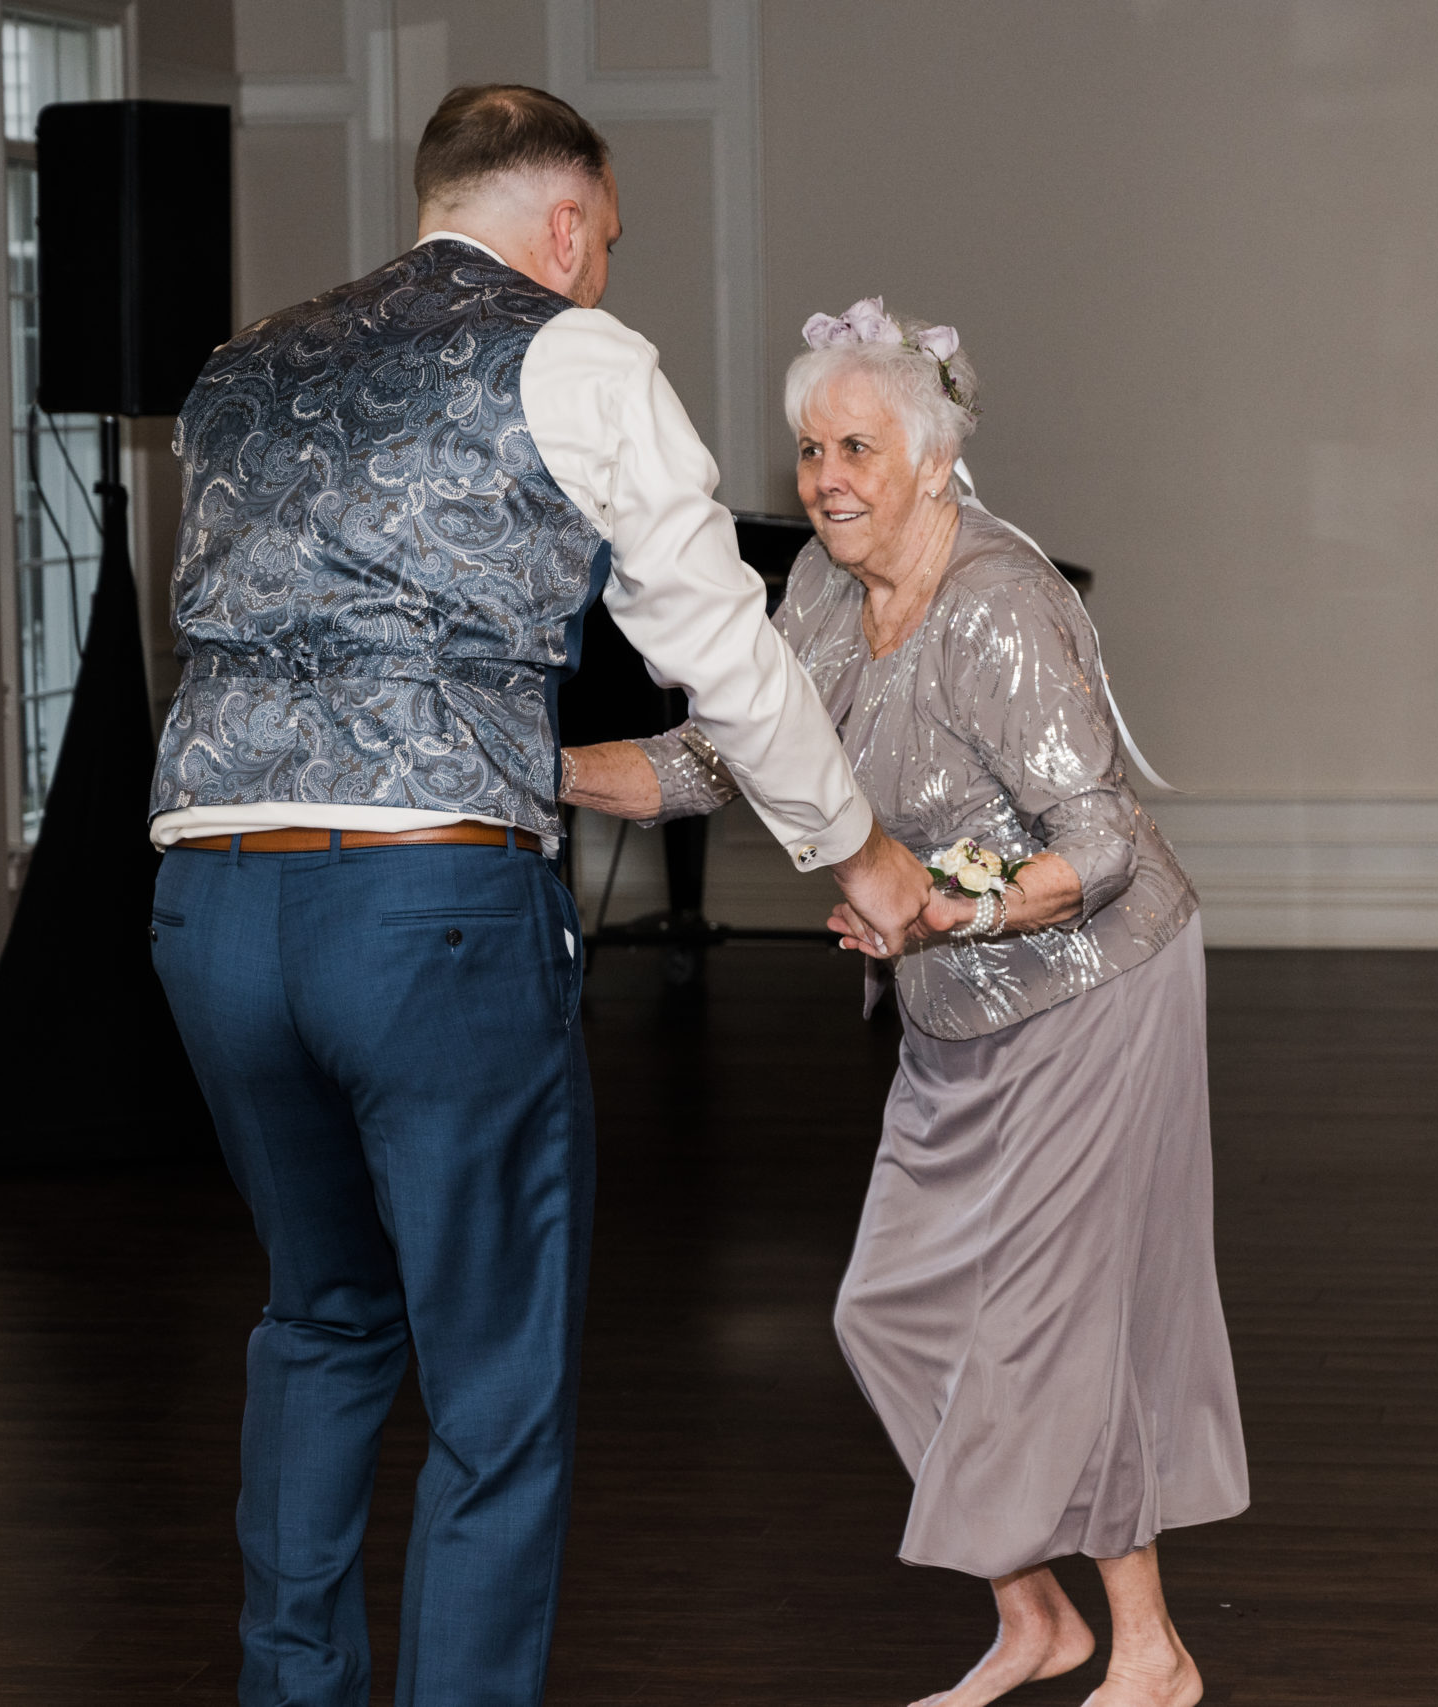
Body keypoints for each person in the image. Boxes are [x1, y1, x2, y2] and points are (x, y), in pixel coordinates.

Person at [144, 90, 931, 1707]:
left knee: (320, 1317)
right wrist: (859, 853)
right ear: (569, 222)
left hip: (208, 900)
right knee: (494, 1384)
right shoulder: (574, 355)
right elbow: (723, 649)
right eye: (611, 243)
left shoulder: (242, 365)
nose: (601, 273)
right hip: (425, 911)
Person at [565, 300, 1248, 1707]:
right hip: (954, 1006)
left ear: (934, 461)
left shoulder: (998, 609)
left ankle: (1152, 1655)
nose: (826, 477)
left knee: (1059, 1327)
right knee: (891, 1310)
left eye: (858, 447)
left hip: (1093, 989)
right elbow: (711, 763)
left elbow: (1103, 847)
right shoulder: (820, 587)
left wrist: (955, 906)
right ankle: (1038, 1621)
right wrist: (538, 767)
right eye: (812, 448)